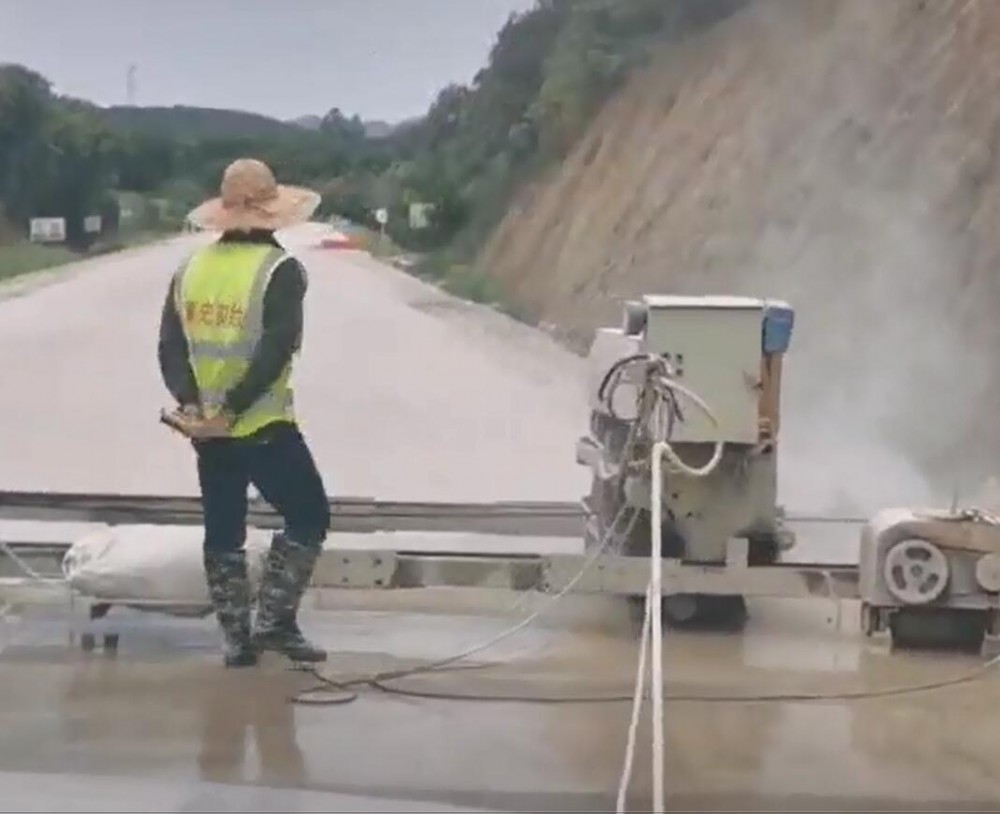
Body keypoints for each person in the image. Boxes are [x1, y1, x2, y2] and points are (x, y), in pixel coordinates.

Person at [157, 158, 330, 668]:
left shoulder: (190, 269)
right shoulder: (281, 271)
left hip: (206, 431)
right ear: (274, 213)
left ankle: (236, 640)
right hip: (261, 425)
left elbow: (170, 347)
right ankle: (274, 622)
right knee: (309, 515)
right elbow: (274, 351)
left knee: (224, 527)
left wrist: (195, 406)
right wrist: (231, 409)